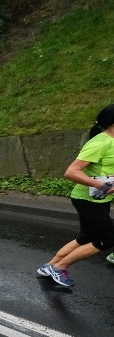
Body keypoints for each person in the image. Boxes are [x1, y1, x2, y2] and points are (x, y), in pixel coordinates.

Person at [36, 104, 114, 287]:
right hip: (86, 199)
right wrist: (101, 184)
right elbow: (71, 172)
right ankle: (60, 268)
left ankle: (50, 266)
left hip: (100, 198)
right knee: (107, 239)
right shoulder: (100, 142)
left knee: (86, 237)